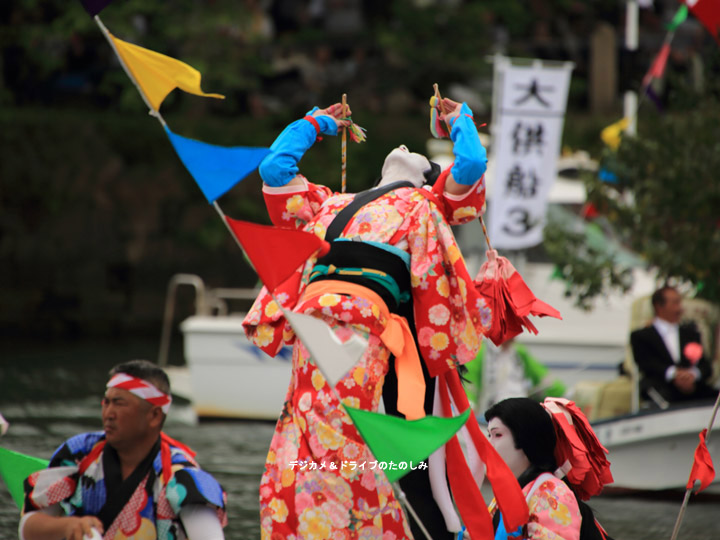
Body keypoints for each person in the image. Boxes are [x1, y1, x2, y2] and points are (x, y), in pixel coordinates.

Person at [243, 97, 491, 538]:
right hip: (316, 325)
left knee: (355, 436)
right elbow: (274, 169)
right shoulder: (334, 202)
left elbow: (472, 162)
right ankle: (314, 519)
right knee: (307, 426)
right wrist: (317, 122)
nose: (403, 148)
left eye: (422, 161)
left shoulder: (425, 203)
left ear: (431, 181)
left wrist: (459, 118)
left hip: (373, 332)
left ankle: (354, 521)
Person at [20, 360, 227, 540]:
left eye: (119, 404)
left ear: (154, 416)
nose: (108, 413)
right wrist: (67, 526)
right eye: (106, 402)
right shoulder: (79, 453)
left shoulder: (181, 476)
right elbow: (27, 527)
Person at [485, 397, 613, 540]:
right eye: (489, 435)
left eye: (498, 435)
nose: (489, 444)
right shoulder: (507, 494)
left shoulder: (552, 494)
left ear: (525, 438)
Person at [630, 286, 718, 405]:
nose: (679, 308)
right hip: (662, 388)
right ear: (659, 306)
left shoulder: (691, 334)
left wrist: (693, 375)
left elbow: (704, 366)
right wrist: (674, 374)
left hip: (693, 389)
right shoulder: (642, 336)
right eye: (675, 303)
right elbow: (646, 363)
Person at [464, 338, 566, 412]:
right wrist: (469, 407)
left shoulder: (519, 352)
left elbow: (542, 377)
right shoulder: (481, 352)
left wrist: (563, 395)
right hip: (492, 412)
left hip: (521, 409)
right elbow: (470, 382)